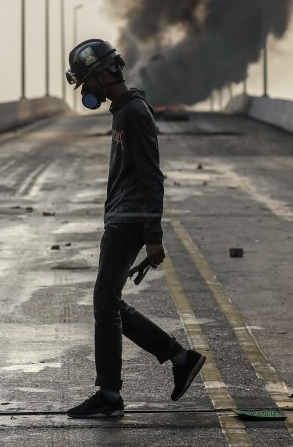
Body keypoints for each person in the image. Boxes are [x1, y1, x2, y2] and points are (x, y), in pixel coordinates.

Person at [64, 38, 206, 419]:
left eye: (87, 82)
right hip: (121, 218)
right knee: (108, 301)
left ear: (104, 75)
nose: (87, 91)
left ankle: (110, 393)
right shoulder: (123, 110)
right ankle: (179, 358)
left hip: (128, 222)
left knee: (103, 302)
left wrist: (153, 234)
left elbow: (150, 175)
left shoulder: (134, 113)